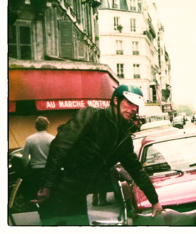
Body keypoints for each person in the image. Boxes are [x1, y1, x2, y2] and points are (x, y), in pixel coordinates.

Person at [32, 85, 163, 225]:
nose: (134, 109)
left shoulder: (124, 136)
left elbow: (136, 169)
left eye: (136, 105)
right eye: (130, 103)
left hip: (79, 193)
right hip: (57, 189)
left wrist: (154, 201)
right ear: (115, 100)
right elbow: (60, 146)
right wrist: (47, 185)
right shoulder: (91, 115)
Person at [21, 116, 55, 200]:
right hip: (48, 169)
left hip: (35, 170)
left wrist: (28, 168)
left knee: (35, 191)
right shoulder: (52, 138)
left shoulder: (29, 139)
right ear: (47, 126)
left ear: (36, 126)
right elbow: (55, 155)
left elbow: (24, 158)